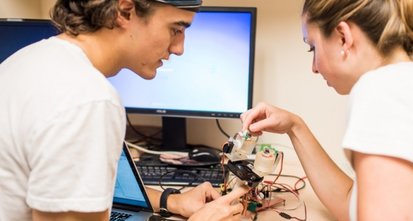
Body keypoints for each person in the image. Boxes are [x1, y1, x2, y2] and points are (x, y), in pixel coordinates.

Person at [0, 0, 246, 220]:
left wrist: (171, 201)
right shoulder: (89, 99)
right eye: (175, 29)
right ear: (125, 12)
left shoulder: (27, 60)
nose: (179, 48)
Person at [241, 0, 413, 220]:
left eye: (312, 47)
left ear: (343, 37)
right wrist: (295, 126)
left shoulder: (382, 90)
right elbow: (350, 203)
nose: (314, 67)